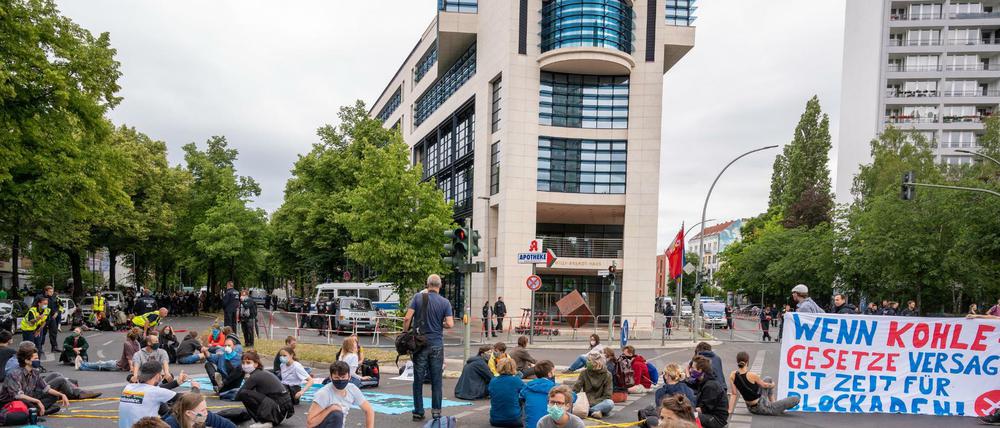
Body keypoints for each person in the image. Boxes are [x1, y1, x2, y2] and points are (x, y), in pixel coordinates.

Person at [402, 274, 454, 422]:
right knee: (436, 380)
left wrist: (405, 332)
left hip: (420, 344)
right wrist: (440, 324)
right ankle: (436, 412)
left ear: (427, 284)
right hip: (437, 344)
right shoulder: (445, 302)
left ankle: (418, 412)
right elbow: (450, 324)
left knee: (418, 379)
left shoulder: (418, 298)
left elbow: (407, 318)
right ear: (440, 285)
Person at [119, 360, 193, 428]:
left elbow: (156, 390)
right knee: (182, 412)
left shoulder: (128, 387)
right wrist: (195, 388)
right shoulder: (155, 392)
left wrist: (177, 382)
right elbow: (189, 399)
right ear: (158, 376)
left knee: (159, 403)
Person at [0, 346, 70, 417]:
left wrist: (62, 395)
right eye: (35, 358)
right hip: (11, 402)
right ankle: (35, 411)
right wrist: (37, 401)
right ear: (26, 360)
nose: (38, 360)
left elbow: (46, 388)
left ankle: (35, 411)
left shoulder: (35, 372)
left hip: (27, 398)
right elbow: (18, 395)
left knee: (54, 396)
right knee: (27, 402)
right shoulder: (14, 374)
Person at [727, 351, 798, 418]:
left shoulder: (732, 375)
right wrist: (773, 385)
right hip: (761, 407)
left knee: (768, 378)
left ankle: (774, 403)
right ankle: (774, 406)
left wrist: (730, 410)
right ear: (747, 362)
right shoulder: (752, 375)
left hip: (750, 407)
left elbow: (734, 394)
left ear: (737, 361)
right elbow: (765, 385)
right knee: (796, 399)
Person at [306, 361, 374, 428]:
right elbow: (310, 423)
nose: (340, 380)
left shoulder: (352, 389)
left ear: (349, 377)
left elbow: (369, 410)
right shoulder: (324, 393)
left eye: (343, 377)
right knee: (336, 414)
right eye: (336, 378)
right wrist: (330, 409)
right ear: (330, 377)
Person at [236, 351, 293, 428]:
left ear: (256, 364)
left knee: (244, 393)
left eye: (248, 362)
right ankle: (266, 419)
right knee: (248, 392)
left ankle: (265, 421)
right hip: (279, 412)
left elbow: (238, 395)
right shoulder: (261, 372)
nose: (245, 365)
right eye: (243, 363)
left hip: (276, 412)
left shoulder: (255, 376)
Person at [689, 355, 727, 428]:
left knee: (689, 416)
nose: (690, 370)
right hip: (710, 414)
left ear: (700, 370)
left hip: (716, 419)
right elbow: (691, 384)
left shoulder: (710, 386)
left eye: (692, 368)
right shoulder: (702, 380)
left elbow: (704, 409)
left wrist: (685, 410)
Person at [572, 353, 614, 419]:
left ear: (597, 362)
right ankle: (595, 411)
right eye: (587, 360)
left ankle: (587, 411)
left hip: (600, 402)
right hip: (586, 401)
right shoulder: (584, 372)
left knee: (610, 403)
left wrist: (591, 404)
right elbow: (576, 389)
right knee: (572, 401)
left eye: (589, 361)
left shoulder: (607, 375)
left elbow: (607, 395)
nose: (587, 363)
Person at [163, 392, 237, 428]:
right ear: (188, 413)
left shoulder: (204, 416)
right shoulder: (171, 424)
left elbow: (229, 426)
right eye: (202, 410)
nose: (206, 413)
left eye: (206, 409)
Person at [488, 358, 525, 427]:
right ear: (513, 367)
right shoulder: (516, 380)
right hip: (514, 420)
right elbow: (525, 394)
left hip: (495, 420)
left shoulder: (493, 381)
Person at [520, 360, 557, 428]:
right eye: (554, 371)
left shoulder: (528, 386)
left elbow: (521, 397)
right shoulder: (556, 388)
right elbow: (573, 397)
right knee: (566, 402)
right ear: (549, 374)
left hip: (530, 425)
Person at [39, 286, 62, 354]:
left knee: (53, 332)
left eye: (52, 291)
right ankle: (40, 347)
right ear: (46, 291)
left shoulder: (55, 297)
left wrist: (57, 313)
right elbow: (36, 306)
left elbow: (59, 306)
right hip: (44, 318)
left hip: (52, 317)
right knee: (43, 332)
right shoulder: (40, 297)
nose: (52, 293)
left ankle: (54, 347)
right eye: (50, 291)